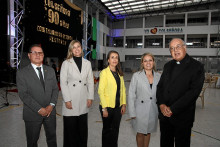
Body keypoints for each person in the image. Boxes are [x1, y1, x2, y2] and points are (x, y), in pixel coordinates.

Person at [156, 38, 205, 147]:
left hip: (182, 117)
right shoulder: (167, 66)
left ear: (185, 47)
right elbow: (160, 87)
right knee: (165, 143)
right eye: (172, 48)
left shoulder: (197, 67)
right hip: (165, 117)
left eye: (178, 46)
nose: (175, 50)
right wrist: (162, 104)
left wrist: (172, 109)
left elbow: (193, 93)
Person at [16, 44, 59, 147]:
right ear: (29, 55)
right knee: (32, 142)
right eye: (34, 52)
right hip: (32, 113)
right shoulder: (22, 73)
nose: (37, 55)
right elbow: (23, 94)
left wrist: (51, 106)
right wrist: (39, 109)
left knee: (52, 139)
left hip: (50, 113)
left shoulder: (50, 71)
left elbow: (55, 89)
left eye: (40, 53)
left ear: (43, 55)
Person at [60, 40, 94, 147]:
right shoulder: (66, 63)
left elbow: (90, 81)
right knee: (70, 132)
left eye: (78, 46)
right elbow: (63, 83)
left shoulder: (87, 63)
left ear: (81, 48)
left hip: (83, 100)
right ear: (71, 50)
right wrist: (67, 100)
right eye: (73, 47)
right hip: (71, 101)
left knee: (82, 131)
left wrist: (90, 97)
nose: (76, 49)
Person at [128, 53, 161, 147]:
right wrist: (132, 113)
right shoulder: (136, 76)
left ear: (153, 62)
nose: (148, 63)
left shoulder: (159, 76)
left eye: (150, 60)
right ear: (142, 63)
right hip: (139, 111)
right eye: (145, 60)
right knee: (140, 133)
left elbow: (161, 94)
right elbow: (131, 95)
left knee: (148, 132)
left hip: (153, 109)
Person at [98, 50, 126, 147]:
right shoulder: (104, 73)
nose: (115, 59)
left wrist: (124, 104)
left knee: (115, 130)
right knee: (107, 131)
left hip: (118, 107)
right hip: (107, 107)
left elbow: (123, 90)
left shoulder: (119, 73)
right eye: (112, 57)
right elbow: (100, 91)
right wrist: (104, 108)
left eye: (116, 57)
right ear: (108, 60)